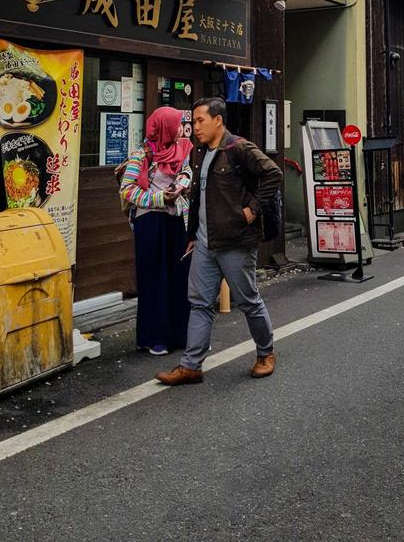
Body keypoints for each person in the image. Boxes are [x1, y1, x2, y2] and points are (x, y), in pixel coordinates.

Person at [156, 97, 282, 386]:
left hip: (236, 241)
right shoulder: (198, 153)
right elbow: (199, 197)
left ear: (218, 120)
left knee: (248, 301)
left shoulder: (238, 147)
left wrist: (252, 209)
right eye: (193, 121)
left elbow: (272, 174)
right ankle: (191, 366)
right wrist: (192, 236)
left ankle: (266, 353)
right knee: (199, 303)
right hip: (204, 242)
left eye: (200, 121)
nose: (195, 127)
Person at [120, 106, 193, 356]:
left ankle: (180, 335)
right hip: (150, 222)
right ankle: (154, 338)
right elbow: (127, 190)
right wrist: (161, 197)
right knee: (154, 278)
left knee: (179, 277)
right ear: (164, 127)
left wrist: (182, 185)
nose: (181, 129)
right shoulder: (141, 155)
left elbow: (186, 171)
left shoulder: (181, 148)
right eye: (176, 125)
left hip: (176, 220)